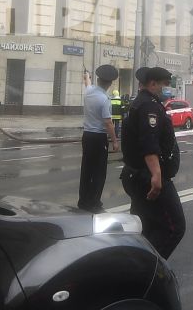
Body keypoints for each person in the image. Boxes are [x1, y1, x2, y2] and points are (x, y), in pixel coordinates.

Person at [119, 66, 185, 257]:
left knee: (146, 227)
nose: (168, 88)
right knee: (175, 227)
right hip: (149, 177)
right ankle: (152, 270)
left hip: (136, 174)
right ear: (152, 84)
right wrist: (156, 175)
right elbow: (149, 142)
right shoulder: (149, 107)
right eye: (165, 84)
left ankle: (136, 267)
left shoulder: (143, 103)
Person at [78, 64, 118, 213]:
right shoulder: (104, 99)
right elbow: (108, 123)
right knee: (99, 172)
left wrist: (86, 76)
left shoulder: (88, 92)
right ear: (110, 83)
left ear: (98, 79)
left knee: (86, 169)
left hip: (87, 136)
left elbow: (87, 84)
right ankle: (94, 202)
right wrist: (114, 140)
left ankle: (83, 201)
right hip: (99, 138)